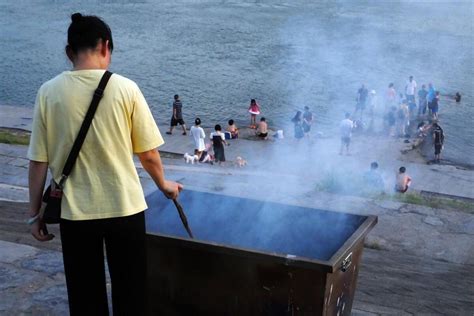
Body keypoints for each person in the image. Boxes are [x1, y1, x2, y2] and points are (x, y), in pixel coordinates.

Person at [26, 13, 182, 315]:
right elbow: (148, 154)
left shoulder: (48, 92)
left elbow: (38, 162)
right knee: (132, 292)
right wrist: (164, 185)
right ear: (106, 47)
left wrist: (34, 215)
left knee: (85, 297)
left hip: (76, 214)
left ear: (69, 52)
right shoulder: (126, 88)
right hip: (125, 208)